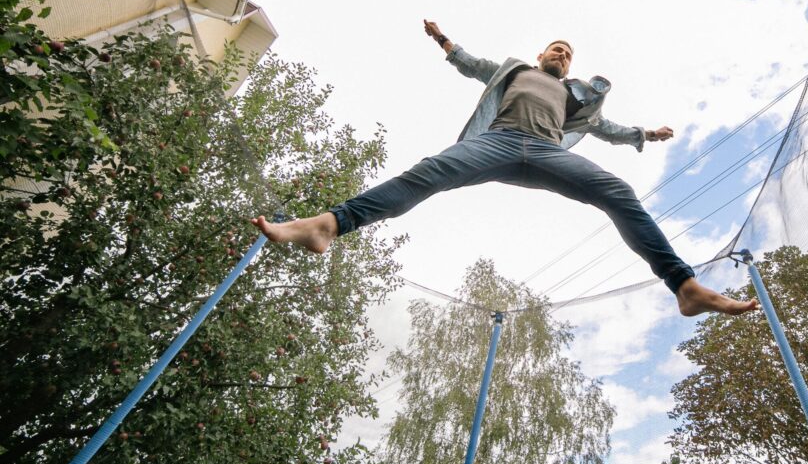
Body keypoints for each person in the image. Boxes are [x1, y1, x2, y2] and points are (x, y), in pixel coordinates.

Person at [252, 21, 758, 317]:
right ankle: (328, 224)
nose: (562, 55)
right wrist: (444, 41)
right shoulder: (515, 70)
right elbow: (473, 65)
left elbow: (607, 129)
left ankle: (683, 286)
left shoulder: (573, 95)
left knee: (619, 193)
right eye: (556, 49)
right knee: (427, 173)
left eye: (569, 53)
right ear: (541, 55)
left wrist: (644, 135)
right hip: (496, 143)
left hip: (546, 154)